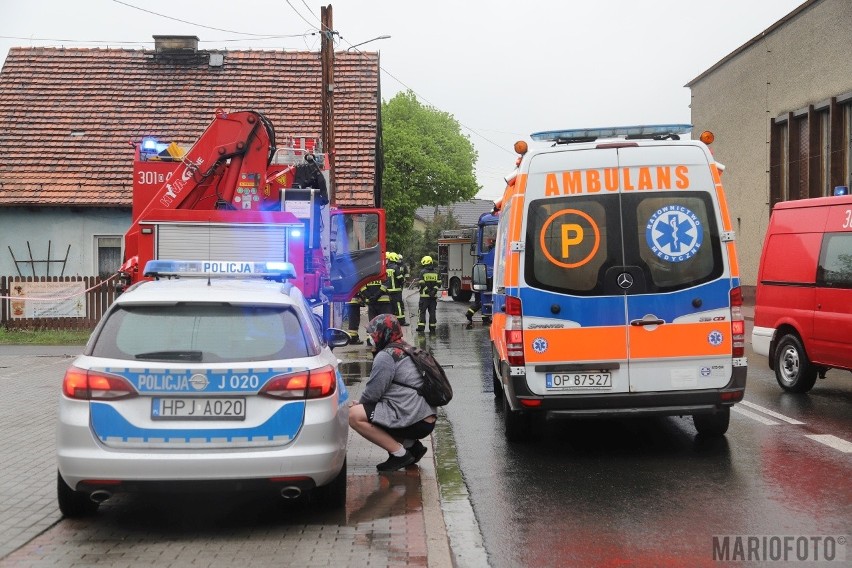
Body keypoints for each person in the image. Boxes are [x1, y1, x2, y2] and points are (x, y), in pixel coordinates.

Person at [348, 314, 438, 471]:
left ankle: (400, 454)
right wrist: (364, 406)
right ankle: (412, 447)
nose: (372, 339)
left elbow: (372, 394)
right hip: (425, 418)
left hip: (413, 418)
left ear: (384, 333)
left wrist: (360, 406)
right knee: (366, 411)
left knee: (353, 415)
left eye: (374, 334)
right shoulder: (406, 348)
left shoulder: (386, 356)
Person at [416, 255, 440, 334]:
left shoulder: (422, 272)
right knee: (432, 312)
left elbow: (421, 283)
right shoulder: (436, 272)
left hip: (424, 297)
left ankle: (421, 327)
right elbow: (439, 283)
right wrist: (434, 291)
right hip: (433, 297)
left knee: (422, 312)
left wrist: (428, 291)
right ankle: (432, 327)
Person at [386, 252, 408, 326]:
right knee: (398, 306)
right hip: (396, 291)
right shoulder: (395, 267)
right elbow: (400, 278)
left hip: (387, 291)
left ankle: (391, 322)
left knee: (390, 307)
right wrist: (403, 281)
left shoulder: (386, 268)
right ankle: (401, 321)